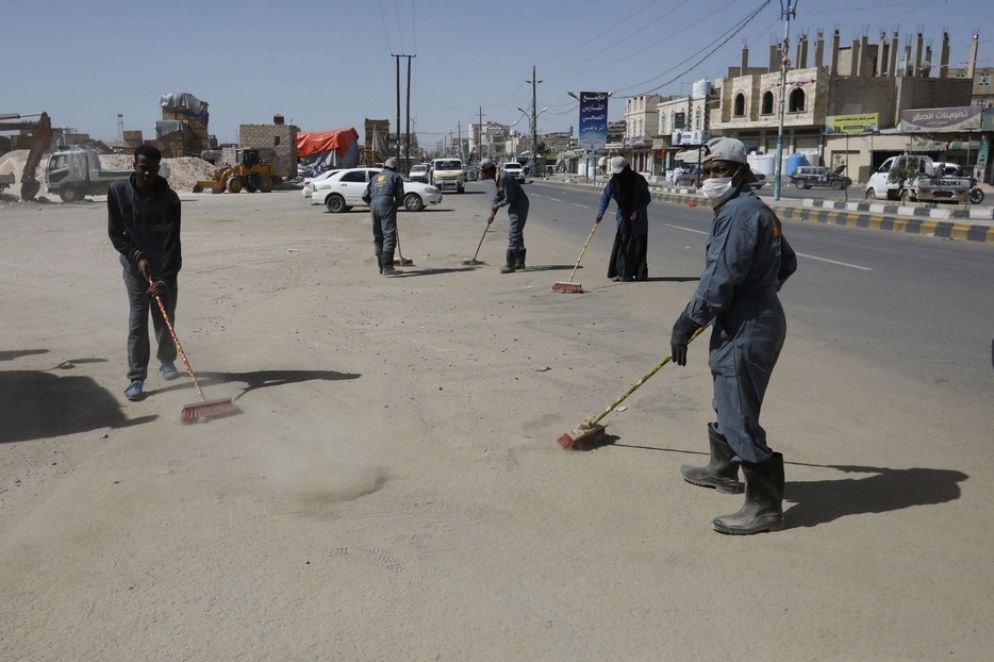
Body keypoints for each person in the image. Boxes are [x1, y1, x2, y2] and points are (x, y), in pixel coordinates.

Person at [670, 137, 798, 535]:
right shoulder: (751, 209)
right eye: (707, 171)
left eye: (720, 171)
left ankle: (764, 507)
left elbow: (721, 276)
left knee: (739, 409)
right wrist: (759, 294)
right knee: (729, 398)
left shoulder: (739, 212)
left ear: (741, 173)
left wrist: (687, 322)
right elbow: (788, 262)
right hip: (751, 316)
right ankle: (722, 470)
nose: (711, 177)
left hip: (748, 322)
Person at [107, 144, 182, 401]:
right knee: (138, 322)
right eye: (143, 168)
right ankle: (137, 377)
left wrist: (165, 279)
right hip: (134, 268)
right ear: (134, 165)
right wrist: (137, 256)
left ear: (158, 168)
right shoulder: (118, 192)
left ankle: (167, 361)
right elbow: (117, 235)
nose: (148, 174)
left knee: (164, 318)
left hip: (163, 267)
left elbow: (173, 244)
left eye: (153, 169)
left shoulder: (170, 200)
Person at [595, 156, 651, 282]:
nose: (619, 175)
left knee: (638, 246)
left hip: (639, 218)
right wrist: (600, 213)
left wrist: (637, 210)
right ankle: (622, 273)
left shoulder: (639, 180)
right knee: (622, 245)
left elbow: (647, 198)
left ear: (627, 168)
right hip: (623, 217)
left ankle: (639, 274)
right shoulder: (613, 182)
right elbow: (605, 197)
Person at [479, 158, 529, 273]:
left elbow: (509, 197)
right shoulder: (497, 177)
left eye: (485, 172)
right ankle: (519, 262)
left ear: (490, 169)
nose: (484, 174)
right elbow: (498, 196)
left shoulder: (504, 178)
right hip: (514, 204)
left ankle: (510, 264)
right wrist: (493, 210)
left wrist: (497, 206)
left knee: (514, 233)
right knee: (517, 232)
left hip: (520, 205)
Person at [362, 157, 405, 276]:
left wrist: (373, 204)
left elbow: (365, 196)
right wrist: (395, 206)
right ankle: (388, 268)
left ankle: (381, 266)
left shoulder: (375, 178)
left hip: (373, 204)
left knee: (378, 235)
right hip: (386, 202)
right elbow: (400, 196)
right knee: (388, 234)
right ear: (395, 167)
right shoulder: (395, 176)